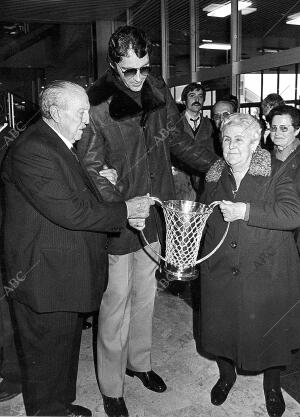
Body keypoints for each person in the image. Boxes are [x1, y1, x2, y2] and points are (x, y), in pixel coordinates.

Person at [77, 25, 216, 417]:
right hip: (122, 220)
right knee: (115, 301)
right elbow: (92, 169)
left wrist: (217, 165)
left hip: (156, 214)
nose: (139, 78)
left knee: (146, 296)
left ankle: (139, 363)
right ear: (112, 66)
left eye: (144, 68)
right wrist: (123, 208)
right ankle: (111, 384)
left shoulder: (156, 88)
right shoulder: (96, 104)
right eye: (130, 71)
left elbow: (177, 141)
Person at [1, 80, 153, 417]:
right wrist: (127, 209)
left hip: (61, 273)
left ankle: (60, 406)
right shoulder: (33, 149)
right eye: (81, 112)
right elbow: (71, 211)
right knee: (47, 353)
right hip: (45, 276)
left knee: (62, 349)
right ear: (55, 112)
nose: (87, 119)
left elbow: (72, 194)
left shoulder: (55, 141)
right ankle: (47, 411)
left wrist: (104, 182)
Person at [200, 113, 300, 417]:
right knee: (222, 327)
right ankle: (226, 376)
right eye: (226, 139)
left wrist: (245, 210)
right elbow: (205, 216)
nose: (231, 146)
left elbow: (292, 214)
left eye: (239, 139)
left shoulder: (276, 171)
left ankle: (272, 386)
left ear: (256, 143)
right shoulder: (215, 175)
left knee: (268, 331)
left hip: (265, 269)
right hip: (221, 267)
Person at [172, 82, 215, 200]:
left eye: (200, 96)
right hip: (180, 181)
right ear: (184, 100)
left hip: (204, 180)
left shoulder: (211, 125)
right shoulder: (174, 124)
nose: (197, 99)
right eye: (192, 95)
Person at [268, 104, 300, 252]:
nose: (277, 133)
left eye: (284, 128)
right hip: (273, 227)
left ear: (297, 130)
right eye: (274, 128)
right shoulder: (265, 157)